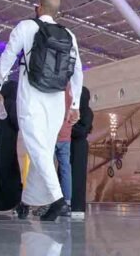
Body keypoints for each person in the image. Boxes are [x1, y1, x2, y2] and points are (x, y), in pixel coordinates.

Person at [0, 0, 83, 222]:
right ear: (57, 12)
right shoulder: (69, 35)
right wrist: (75, 104)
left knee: (38, 148)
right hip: (56, 100)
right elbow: (77, 70)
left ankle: (59, 201)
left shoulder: (26, 26)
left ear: (38, 7)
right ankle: (27, 201)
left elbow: (8, 55)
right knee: (41, 149)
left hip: (31, 96)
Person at [0, 79, 24, 214]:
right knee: (11, 171)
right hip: (9, 144)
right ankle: (12, 200)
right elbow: (17, 122)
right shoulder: (12, 104)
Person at [54, 83, 77, 217]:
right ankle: (67, 202)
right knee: (65, 169)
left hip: (54, 134)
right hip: (66, 135)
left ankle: (50, 201)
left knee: (49, 168)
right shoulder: (73, 91)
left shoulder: (55, 88)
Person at [70, 87, 93, 219]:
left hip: (79, 146)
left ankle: (77, 206)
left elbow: (83, 131)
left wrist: (69, 127)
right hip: (71, 145)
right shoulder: (76, 111)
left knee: (78, 176)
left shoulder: (87, 112)